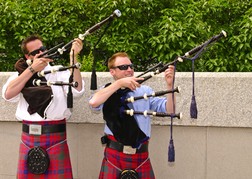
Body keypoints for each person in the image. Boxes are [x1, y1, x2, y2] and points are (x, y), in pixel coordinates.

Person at [2, 34, 85, 178]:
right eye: (35, 52)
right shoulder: (20, 75)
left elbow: (77, 91)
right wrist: (31, 70)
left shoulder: (60, 71)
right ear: (28, 57)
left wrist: (73, 58)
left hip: (55, 138)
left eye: (43, 49)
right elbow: (8, 94)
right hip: (28, 139)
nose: (41, 53)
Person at [89, 52, 175, 179]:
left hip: (141, 156)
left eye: (131, 66)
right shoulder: (108, 91)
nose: (129, 70)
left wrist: (169, 85)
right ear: (112, 72)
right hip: (114, 155)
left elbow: (170, 110)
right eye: (123, 67)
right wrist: (118, 84)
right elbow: (93, 102)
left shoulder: (144, 91)